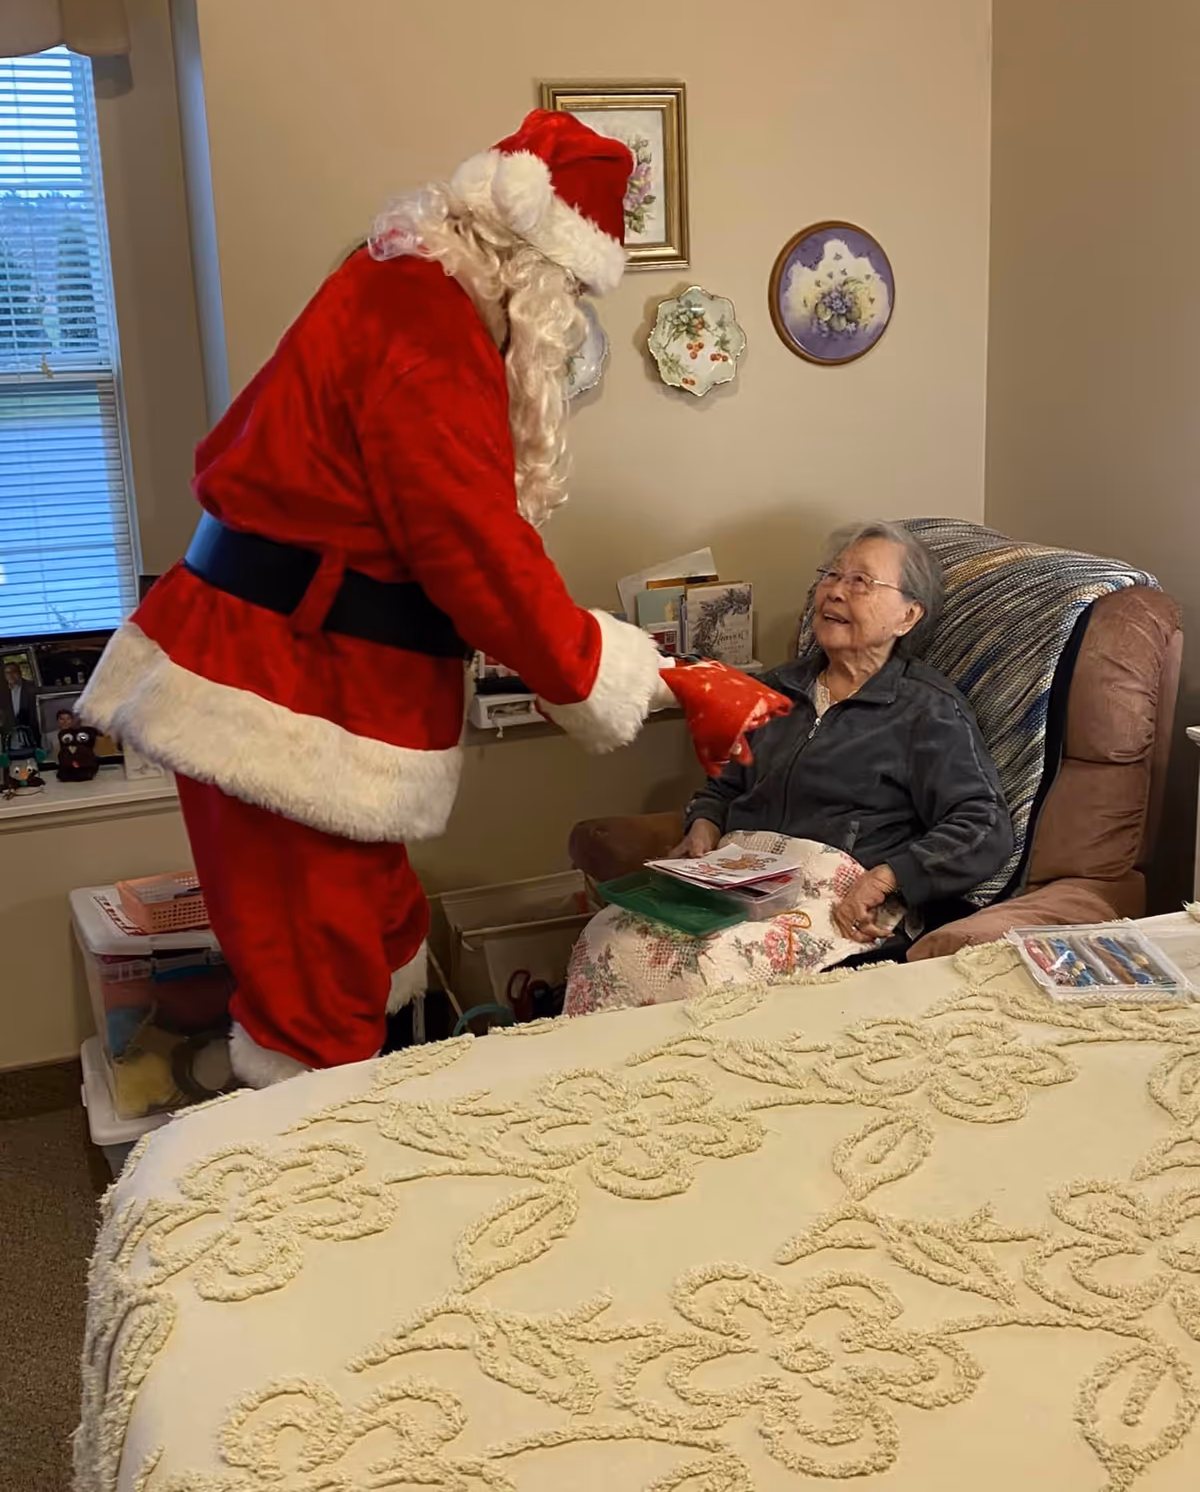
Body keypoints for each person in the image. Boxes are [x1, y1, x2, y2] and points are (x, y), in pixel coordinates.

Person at [79, 109, 786, 1086]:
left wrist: (643, 668)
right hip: (282, 697)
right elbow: (474, 550)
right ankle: (322, 1200)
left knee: (382, 930)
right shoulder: (423, 323)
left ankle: (389, 1137)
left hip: (323, 696)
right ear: (536, 267)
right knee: (314, 1007)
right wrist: (645, 674)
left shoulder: (412, 294)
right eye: (576, 291)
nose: (573, 320)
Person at [563, 522, 1013, 1014]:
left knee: (711, 962)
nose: (836, 591)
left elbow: (983, 824)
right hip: (738, 879)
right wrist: (704, 825)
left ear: (907, 615)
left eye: (861, 581)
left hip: (836, 898)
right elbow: (725, 784)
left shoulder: (928, 712)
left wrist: (887, 880)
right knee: (605, 934)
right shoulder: (777, 688)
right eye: (831, 575)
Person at [2, 662, 40, 744]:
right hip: (13, 734)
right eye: (8, 673)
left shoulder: (31, 687)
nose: (11, 675)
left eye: (13, 672)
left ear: (20, 673)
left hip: (31, 731)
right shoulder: (3, 691)